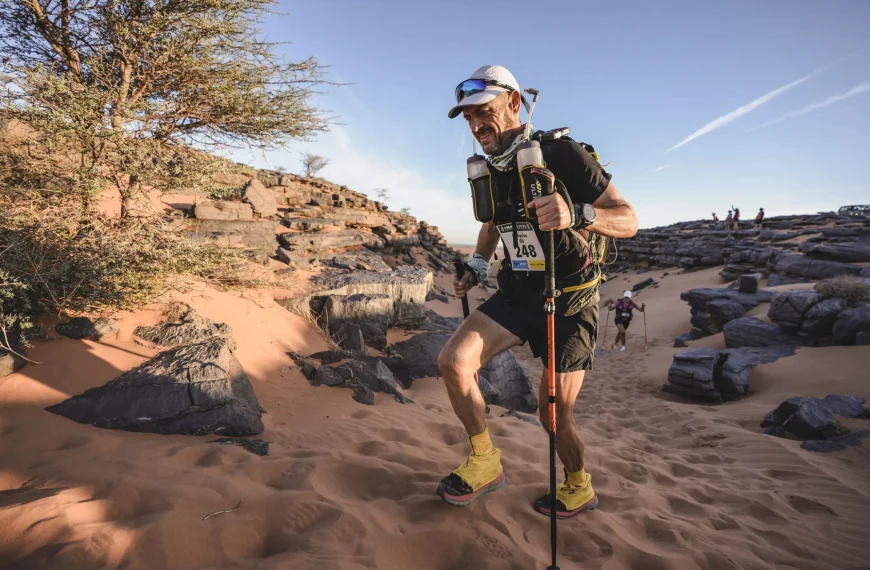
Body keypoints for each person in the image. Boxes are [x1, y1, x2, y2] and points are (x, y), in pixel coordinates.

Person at [436, 65, 639, 518]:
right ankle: (485, 461)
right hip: (520, 289)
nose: (475, 125)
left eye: (482, 111)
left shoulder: (561, 153)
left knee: (553, 417)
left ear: (513, 103)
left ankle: (578, 484)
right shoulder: (492, 168)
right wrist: (477, 262)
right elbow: (493, 221)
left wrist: (577, 213)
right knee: (453, 361)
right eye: (467, 117)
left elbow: (627, 218)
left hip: (570, 300)